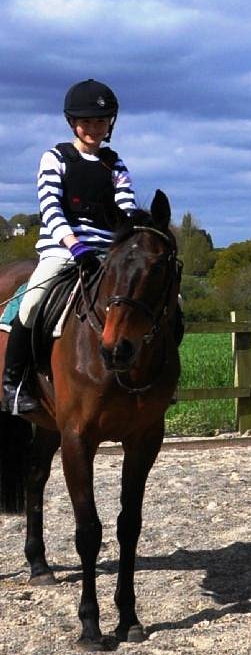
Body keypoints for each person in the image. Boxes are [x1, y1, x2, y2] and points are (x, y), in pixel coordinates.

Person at [1, 79, 138, 414]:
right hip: (63, 250)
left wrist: (129, 244)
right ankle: (13, 384)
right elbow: (50, 207)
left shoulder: (114, 164)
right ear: (73, 123)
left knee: (164, 301)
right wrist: (75, 246)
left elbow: (127, 209)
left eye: (101, 122)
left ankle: (154, 380)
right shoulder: (55, 158)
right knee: (31, 303)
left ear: (110, 125)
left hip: (108, 254)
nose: (94, 128)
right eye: (87, 122)